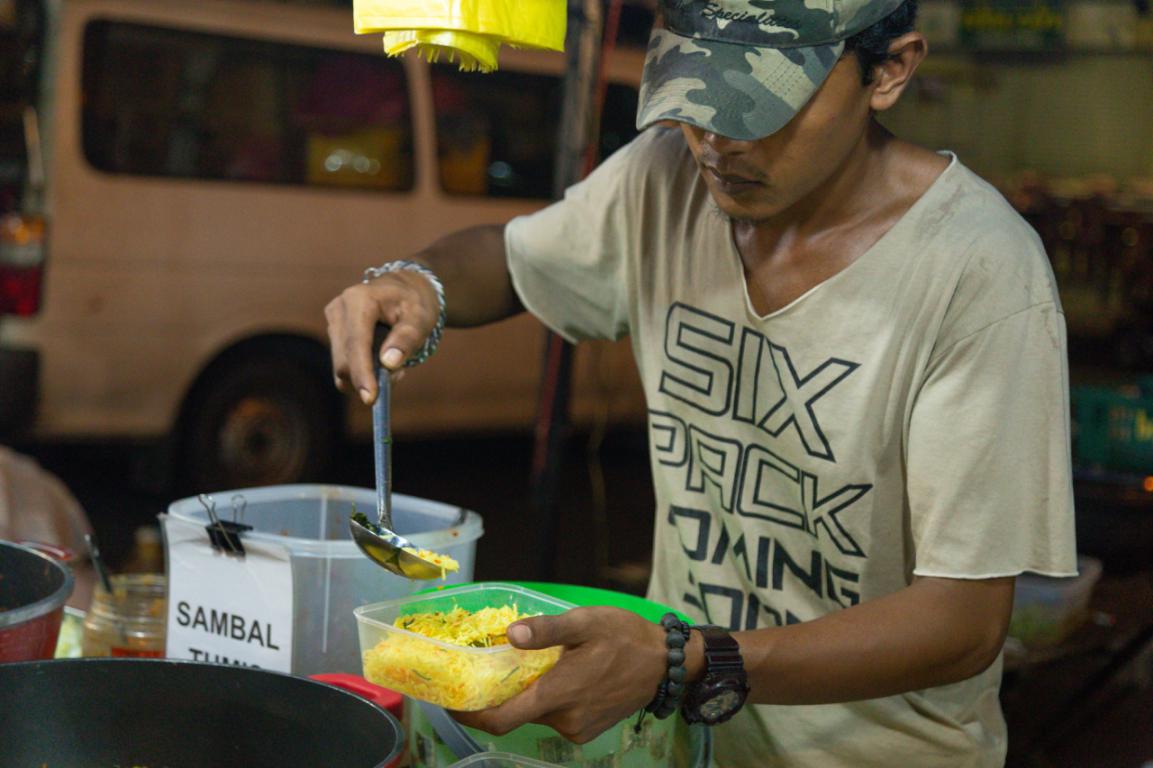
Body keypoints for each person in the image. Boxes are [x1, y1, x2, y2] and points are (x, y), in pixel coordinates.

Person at [325, 0, 1077, 764]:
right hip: (685, 740)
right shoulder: (663, 179)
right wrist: (415, 283)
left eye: (761, 104)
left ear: (888, 71)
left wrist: (682, 660)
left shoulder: (975, 270)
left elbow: (961, 623)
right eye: (695, 99)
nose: (717, 140)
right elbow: (511, 261)